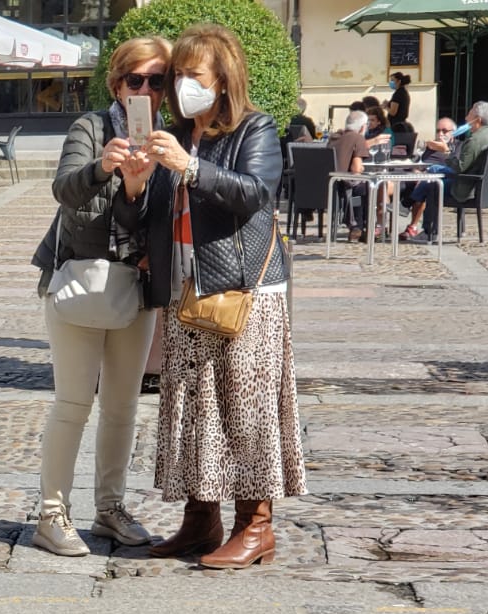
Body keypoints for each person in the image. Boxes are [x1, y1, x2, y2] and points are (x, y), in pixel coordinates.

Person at [112, 23, 306, 568]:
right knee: (195, 408)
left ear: (223, 79)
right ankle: (201, 521)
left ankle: (256, 525)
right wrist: (134, 182)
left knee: (245, 409)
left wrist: (190, 167)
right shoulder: (172, 132)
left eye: (192, 75)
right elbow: (143, 214)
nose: (180, 86)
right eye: (177, 76)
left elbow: (255, 194)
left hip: (242, 290)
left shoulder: (255, 129)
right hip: (183, 289)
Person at [26, 36, 171, 557]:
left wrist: (138, 189)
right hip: (79, 280)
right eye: (137, 80)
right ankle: (51, 515)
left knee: (123, 407)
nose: (147, 91)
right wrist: (103, 167)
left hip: (135, 287)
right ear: (117, 83)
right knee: (72, 404)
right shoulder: (90, 128)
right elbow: (64, 190)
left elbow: (159, 221)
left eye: (158, 81)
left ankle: (110, 509)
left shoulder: (167, 141)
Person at [406, 101, 488, 243]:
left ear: (477, 119)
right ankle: (407, 203)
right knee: (434, 171)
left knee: (432, 185)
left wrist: (446, 151)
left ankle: (428, 231)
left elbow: (459, 168)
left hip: (469, 187)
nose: (465, 118)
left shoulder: (475, 140)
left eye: (469, 114)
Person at [400, 117, 454, 239]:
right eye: (438, 130)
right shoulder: (431, 146)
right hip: (419, 177)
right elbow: (418, 160)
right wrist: (416, 169)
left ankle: (406, 208)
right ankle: (401, 224)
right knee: (413, 180)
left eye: (444, 131)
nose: (440, 134)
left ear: (453, 132)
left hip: (438, 180)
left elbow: (454, 166)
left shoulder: (456, 147)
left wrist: (446, 150)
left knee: (426, 183)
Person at [331, 110, 371, 242]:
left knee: (358, 186)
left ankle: (357, 225)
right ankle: (358, 226)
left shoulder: (334, 137)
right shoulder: (357, 138)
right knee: (363, 187)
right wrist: (362, 167)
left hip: (330, 185)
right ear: (363, 127)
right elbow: (356, 169)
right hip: (344, 187)